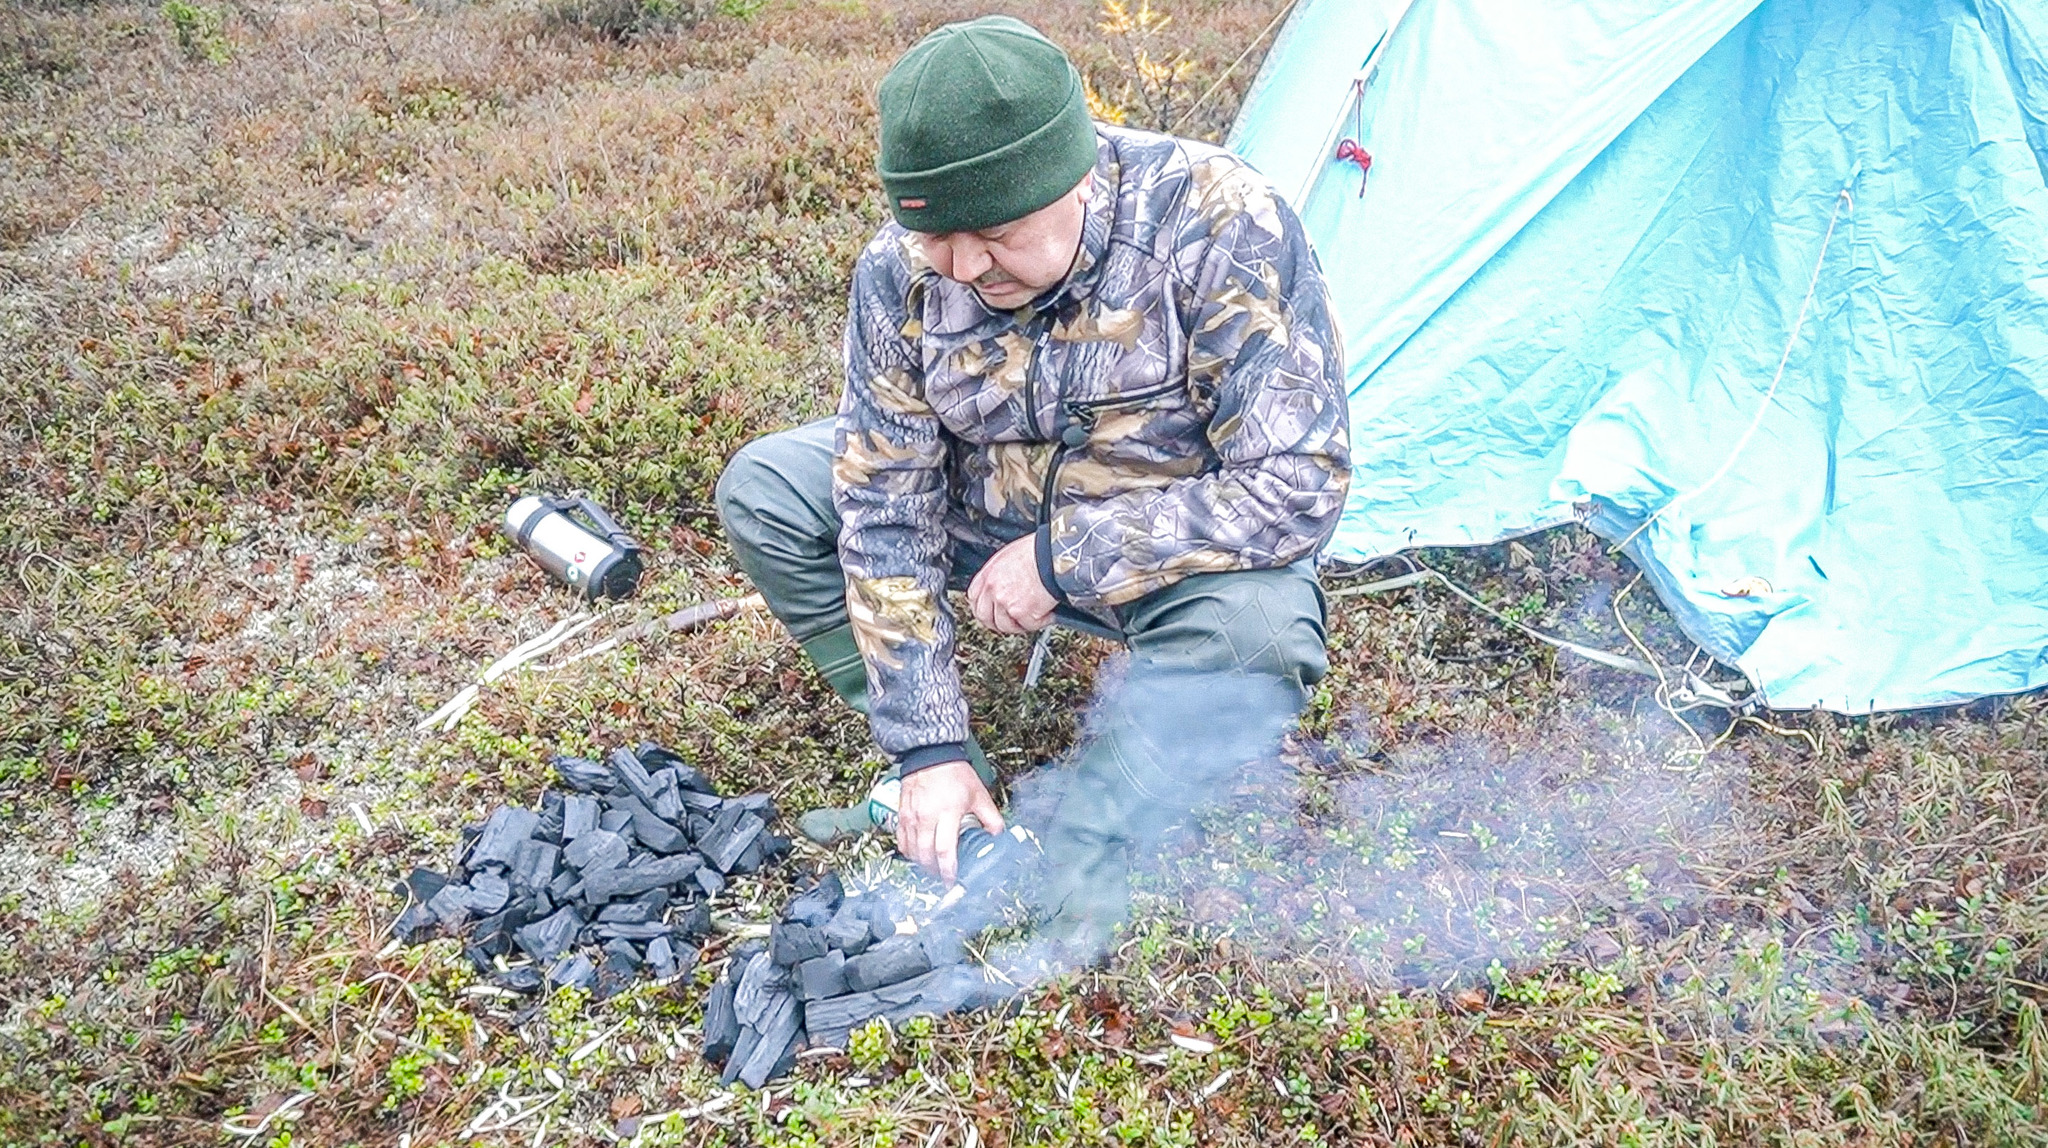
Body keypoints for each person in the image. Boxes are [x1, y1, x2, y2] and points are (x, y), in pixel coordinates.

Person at [715, 14, 1348, 950]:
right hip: (984, 513)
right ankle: (941, 787)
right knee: (769, 489)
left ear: (1078, 177)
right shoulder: (902, 269)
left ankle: (1087, 843)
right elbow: (886, 502)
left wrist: (1063, 561)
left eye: (999, 236)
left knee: (1261, 634)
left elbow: (1300, 480)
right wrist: (924, 740)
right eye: (938, 239)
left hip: (1172, 553)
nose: (965, 269)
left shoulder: (1222, 226)